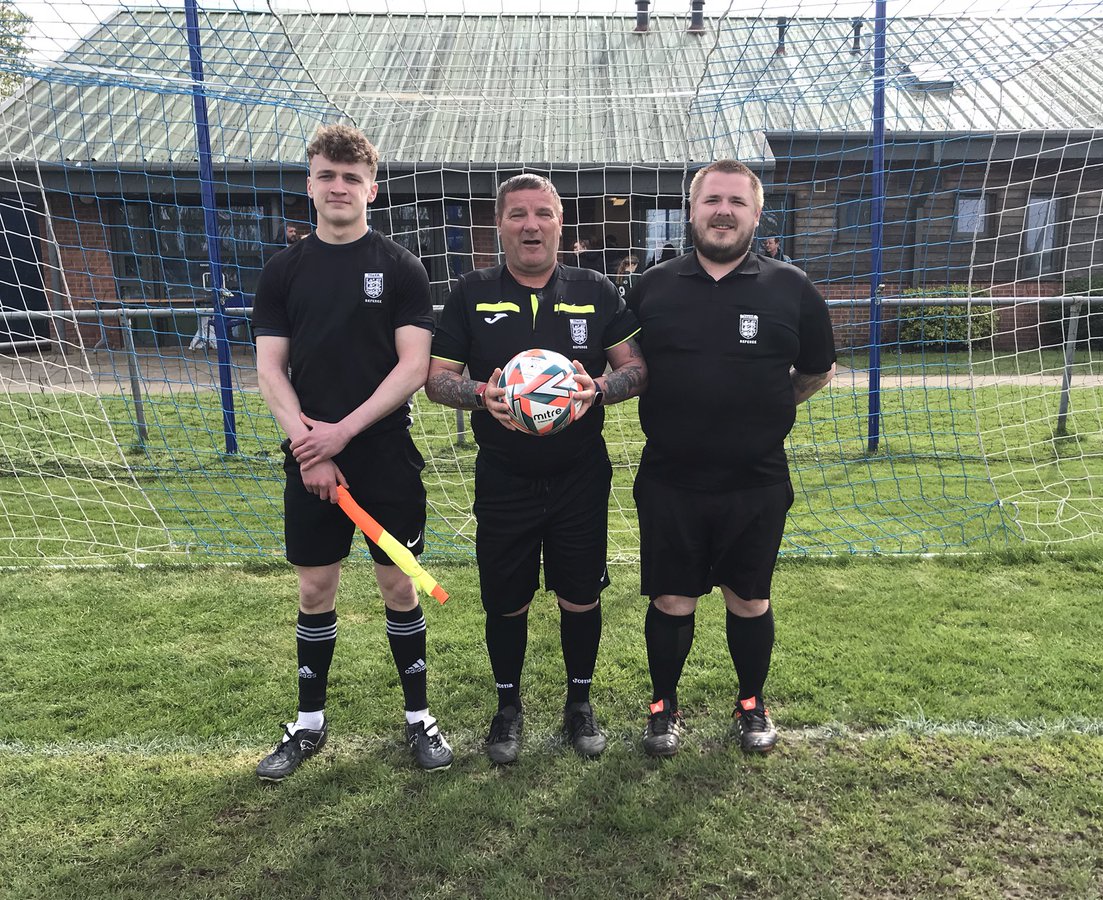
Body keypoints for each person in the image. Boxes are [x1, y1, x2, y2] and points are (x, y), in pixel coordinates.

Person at [251, 124, 453, 780]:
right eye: (327, 176)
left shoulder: (401, 267)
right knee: (316, 589)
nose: (339, 187)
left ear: (372, 187)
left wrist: (343, 434)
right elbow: (270, 370)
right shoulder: (283, 271)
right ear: (309, 185)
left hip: (383, 457)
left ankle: (419, 719)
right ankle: (308, 724)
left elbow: (412, 366)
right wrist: (310, 447)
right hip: (310, 459)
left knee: (399, 585)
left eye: (351, 177)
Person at [425, 174, 646, 764]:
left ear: (559, 223)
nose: (531, 225)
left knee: (580, 596)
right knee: (506, 599)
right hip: (504, 477)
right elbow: (436, 378)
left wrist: (596, 388)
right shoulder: (471, 291)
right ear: (501, 225)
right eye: (518, 214)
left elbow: (636, 368)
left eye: (543, 214)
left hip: (579, 476)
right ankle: (508, 708)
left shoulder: (595, 289)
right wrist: (481, 396)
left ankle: (579, 704)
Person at [627, 160, 836, 757]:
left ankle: (751, 703)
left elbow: (817, 370)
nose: (723, 211)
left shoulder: (791, 287)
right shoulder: (651, 287)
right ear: (692, 210)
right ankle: (663, 706)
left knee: (750, 598)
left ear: (756, 213)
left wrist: (766, 407)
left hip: (757, 479)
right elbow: (630, 366)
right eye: (711, 199)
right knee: (672, 598)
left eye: (736, 202)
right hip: (671, 476)